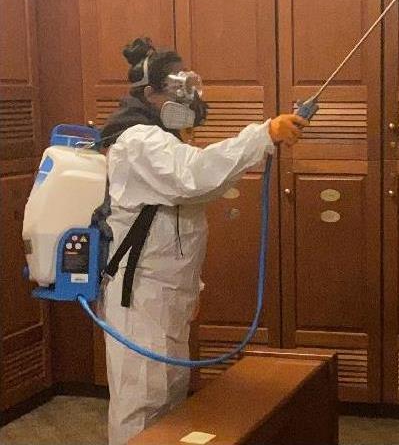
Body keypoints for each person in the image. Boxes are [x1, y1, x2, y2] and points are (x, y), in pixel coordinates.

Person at [98, 37, 307, 445]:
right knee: (141, 401)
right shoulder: (139, 141)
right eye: (179, 88)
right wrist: (263, 134)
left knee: (170, 396)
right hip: (140, 297)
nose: (189, 96)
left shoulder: (166, 141)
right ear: (152, 94)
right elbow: (195, 177)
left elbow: (194, 194)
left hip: (166, 295)